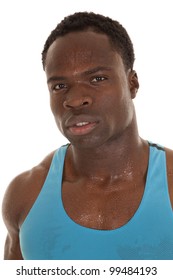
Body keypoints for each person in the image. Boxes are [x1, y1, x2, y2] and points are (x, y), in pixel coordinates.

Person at [2, 12, 173, 260]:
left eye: (97, 79)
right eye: (60, 86)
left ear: (132, 83)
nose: (74, 99)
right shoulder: (25, 195)